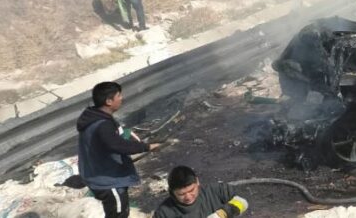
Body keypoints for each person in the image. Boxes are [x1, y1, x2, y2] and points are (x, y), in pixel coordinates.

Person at [77, 82, 161, 218]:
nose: (122, 98)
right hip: (107, 180)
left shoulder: (94, 117)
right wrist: (147, 147)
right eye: (119, 95)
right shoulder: (103, 124)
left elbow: (112, 139)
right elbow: (117, 145)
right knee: (119, 214)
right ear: (109, 101)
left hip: (99, 175)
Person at [153, 166, 249, 218]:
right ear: (172, 192)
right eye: (181, 194)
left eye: (191, 190)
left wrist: (221, 214)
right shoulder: (163, 213)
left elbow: (243, 201)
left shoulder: (215, 191)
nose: (188, 197)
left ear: (197, 181)